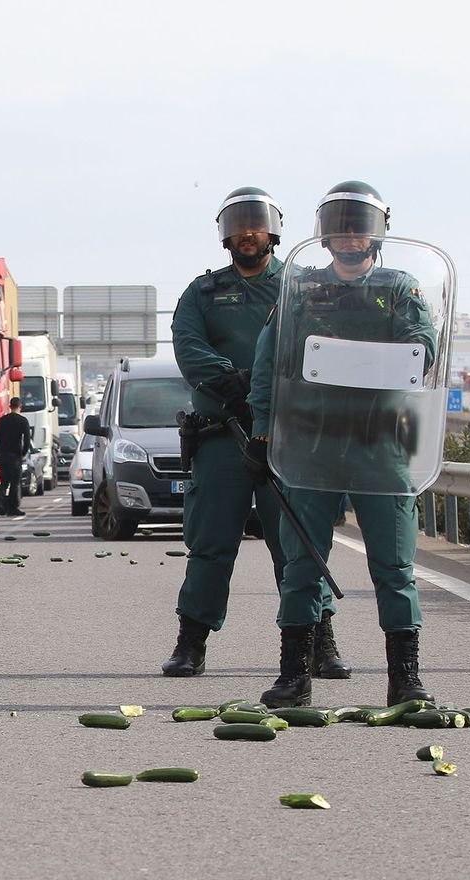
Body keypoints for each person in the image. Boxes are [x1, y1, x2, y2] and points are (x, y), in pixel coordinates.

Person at [247, 180, 438, 708]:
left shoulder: (402, 289)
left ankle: (405, 677)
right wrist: (263, 434)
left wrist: (362, 360)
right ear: (324, 235)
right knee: (301, 562)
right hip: (311, 443)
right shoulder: (301, 289)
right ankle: (294, 676)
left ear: (377, 233)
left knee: (394, 565)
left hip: (381, 443)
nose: (350, 238)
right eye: (340, 227)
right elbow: (269, 364)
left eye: (359, 227)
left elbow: (421, 350)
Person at [163, 187, 344, 678]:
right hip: (223, 435)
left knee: (299, 543)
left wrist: (271, 387)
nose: (248, 231)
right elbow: (189, 347)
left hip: (288, 436)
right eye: (239, 222)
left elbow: (324, 345)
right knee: (211, 542)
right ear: (226, 233)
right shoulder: (201, 293)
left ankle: (319, 643)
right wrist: (235, 382)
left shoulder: (305, 287)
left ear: (273, 230)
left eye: (256, 222)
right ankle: (191, 644)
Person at [0, 396, 31, 516]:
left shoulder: (2, 420)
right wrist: (23, 453)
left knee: (4, 481)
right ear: (20, 407)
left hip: (4, 454)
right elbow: (27, 440)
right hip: (15, 455)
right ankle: (13, 508)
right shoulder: (23, 421)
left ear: (10, 406)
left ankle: (0, 505)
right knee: (15, 482)